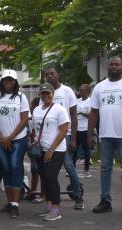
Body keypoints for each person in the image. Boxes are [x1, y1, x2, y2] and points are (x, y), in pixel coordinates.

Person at [88, 57, 122, 217]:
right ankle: (105, 201)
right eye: (111, 64)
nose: (114, 67)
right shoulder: (99, 87)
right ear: (107, 67)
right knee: (105, 168)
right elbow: (93, 112)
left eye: (117, 64)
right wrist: (90, 134)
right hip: (105, 136)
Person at [0, 70, 30, 218]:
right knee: (5, 168)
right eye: (6, 80)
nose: (8, 82)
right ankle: (9, 202)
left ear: (15, 82)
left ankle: (15, 204)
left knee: (14, 166)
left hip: (18, 138)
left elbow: (25, 119)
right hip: (0, 140)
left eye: (11, 80)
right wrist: (2, 137)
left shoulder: (21, 97)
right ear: (1, 82)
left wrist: (10, 137)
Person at [43, 67, 83, 210]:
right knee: (47, 168)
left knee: (68, 165)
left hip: (64, 135)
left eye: (52, 74)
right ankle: (49, 198)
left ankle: (78, 195)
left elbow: (73, 114)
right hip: (48, 138)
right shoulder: (44, 92)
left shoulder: (67, 91)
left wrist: (73, 138)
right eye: (47, 74)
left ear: (58, 75)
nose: (49, 76)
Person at [31, 84, 70, 221]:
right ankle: (48, 206)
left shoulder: (59, 110)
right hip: (40, 148)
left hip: (56, 149)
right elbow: (35, 129)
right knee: (45, 177)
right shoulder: (36, 110)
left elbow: (64, 130)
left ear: (53, 94)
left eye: (48, 93)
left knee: (51, 177)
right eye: (42, 93)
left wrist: (52, 149)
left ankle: (56, 208)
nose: (45, 96)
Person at [75, 84, 93, 178]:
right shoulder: (77, 101)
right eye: (80, 90)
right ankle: (72, 169)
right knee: (74, 148)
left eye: (82, 90)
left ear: (87, 91)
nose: (80, 91)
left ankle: (86, 170)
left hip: (86, 128)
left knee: (86, 150)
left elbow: (92, 115)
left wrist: (82, 113)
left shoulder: (91, 101)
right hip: (77, 128)